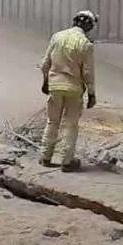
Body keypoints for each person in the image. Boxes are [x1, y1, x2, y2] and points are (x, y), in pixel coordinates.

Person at [39, 10, 98, 172]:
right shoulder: (86, 44)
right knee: (70, 125)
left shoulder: (57, 36)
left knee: (52, 121)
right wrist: (91, 93)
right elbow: (87, 72)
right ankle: (66, 161)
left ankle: (45, 156)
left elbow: (45, 63)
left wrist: (46, 82)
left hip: (55, 86)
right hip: (74, 88)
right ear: (89, 27)